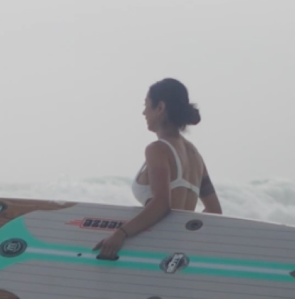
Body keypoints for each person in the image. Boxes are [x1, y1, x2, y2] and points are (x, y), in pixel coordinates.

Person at [94, 78, 222, 259]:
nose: (143, 112)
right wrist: (188, 234)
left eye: (146, 105)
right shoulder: (195, 156)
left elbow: (162, 203)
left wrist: (121, 233)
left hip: (152, 250)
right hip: (176, 253)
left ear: (160, 107)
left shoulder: (157, 149)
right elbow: (214, 210)